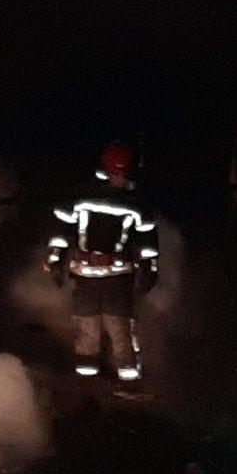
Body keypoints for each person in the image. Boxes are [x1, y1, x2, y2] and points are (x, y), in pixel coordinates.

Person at [47, 143, 158, 380]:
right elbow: (61, 233)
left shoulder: (130, 203)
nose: (124, 179)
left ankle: (128, 379)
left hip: (114, 278)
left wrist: (149, 268)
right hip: (92, 276)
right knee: (88, 328)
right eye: (122, 174)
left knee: (118, 329)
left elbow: (147, 240)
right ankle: (88, 379)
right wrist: (55, 261)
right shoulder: (126, 202)